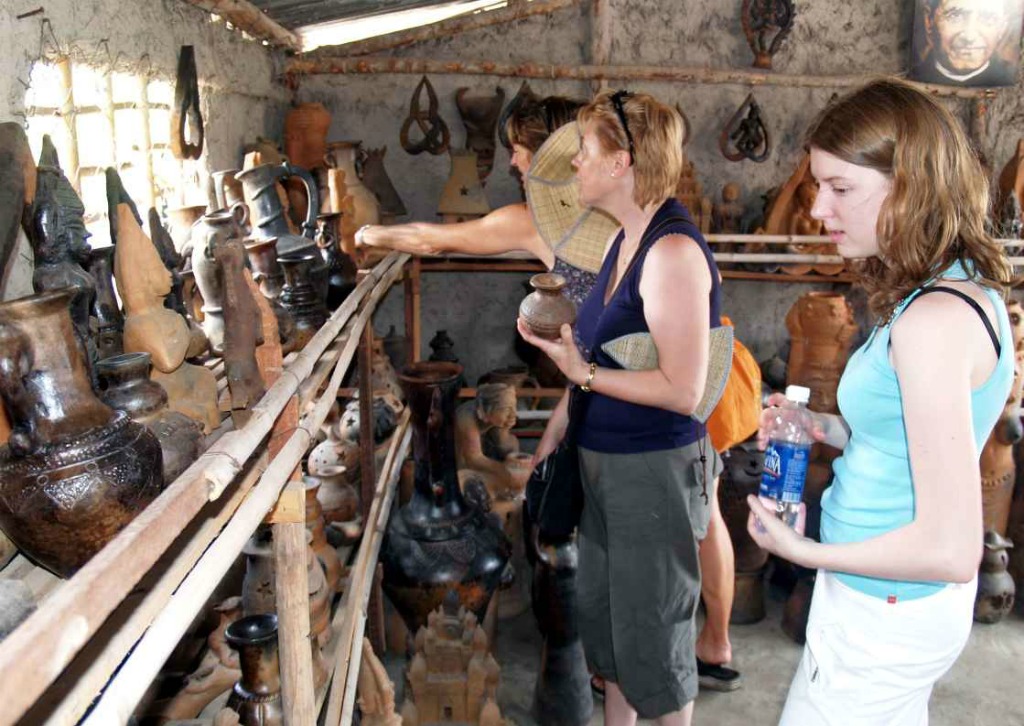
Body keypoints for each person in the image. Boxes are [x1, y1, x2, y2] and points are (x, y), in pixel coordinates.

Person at [747, 78, 1015, 725]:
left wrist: (805, 554)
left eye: (842, 188)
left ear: (913, 183)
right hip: (883, 596)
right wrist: (818, 425)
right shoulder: (946, 291)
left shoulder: (934, 321)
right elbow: (903, 436)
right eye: (818, 187)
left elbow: (951, 551)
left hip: (888, 606)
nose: (820, 209)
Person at [518, 89, 724, 726]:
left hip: (653, 470)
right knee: (612, 635)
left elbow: (682, 391)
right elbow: (601, 359)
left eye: (584, 150)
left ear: (622, 163)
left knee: (655, 639)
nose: (575, 164)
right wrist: (558, 428)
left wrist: (582, 373)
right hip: (606, 462)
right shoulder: (623, 241)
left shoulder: (671, 253)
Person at [355, 95, 598, 307]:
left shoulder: (532, 221)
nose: (513, 163)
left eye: (517, 151)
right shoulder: (609, 204)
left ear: (543, 158)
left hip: (598, 359)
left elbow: (429, 242)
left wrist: (365, 235)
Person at [911, 0, 1016, 86]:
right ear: (929, 21)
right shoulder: (911, 75)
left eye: (987, 18)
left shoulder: (1009, 83)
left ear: (1002, 28)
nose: (969, 37)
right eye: (955, 16)